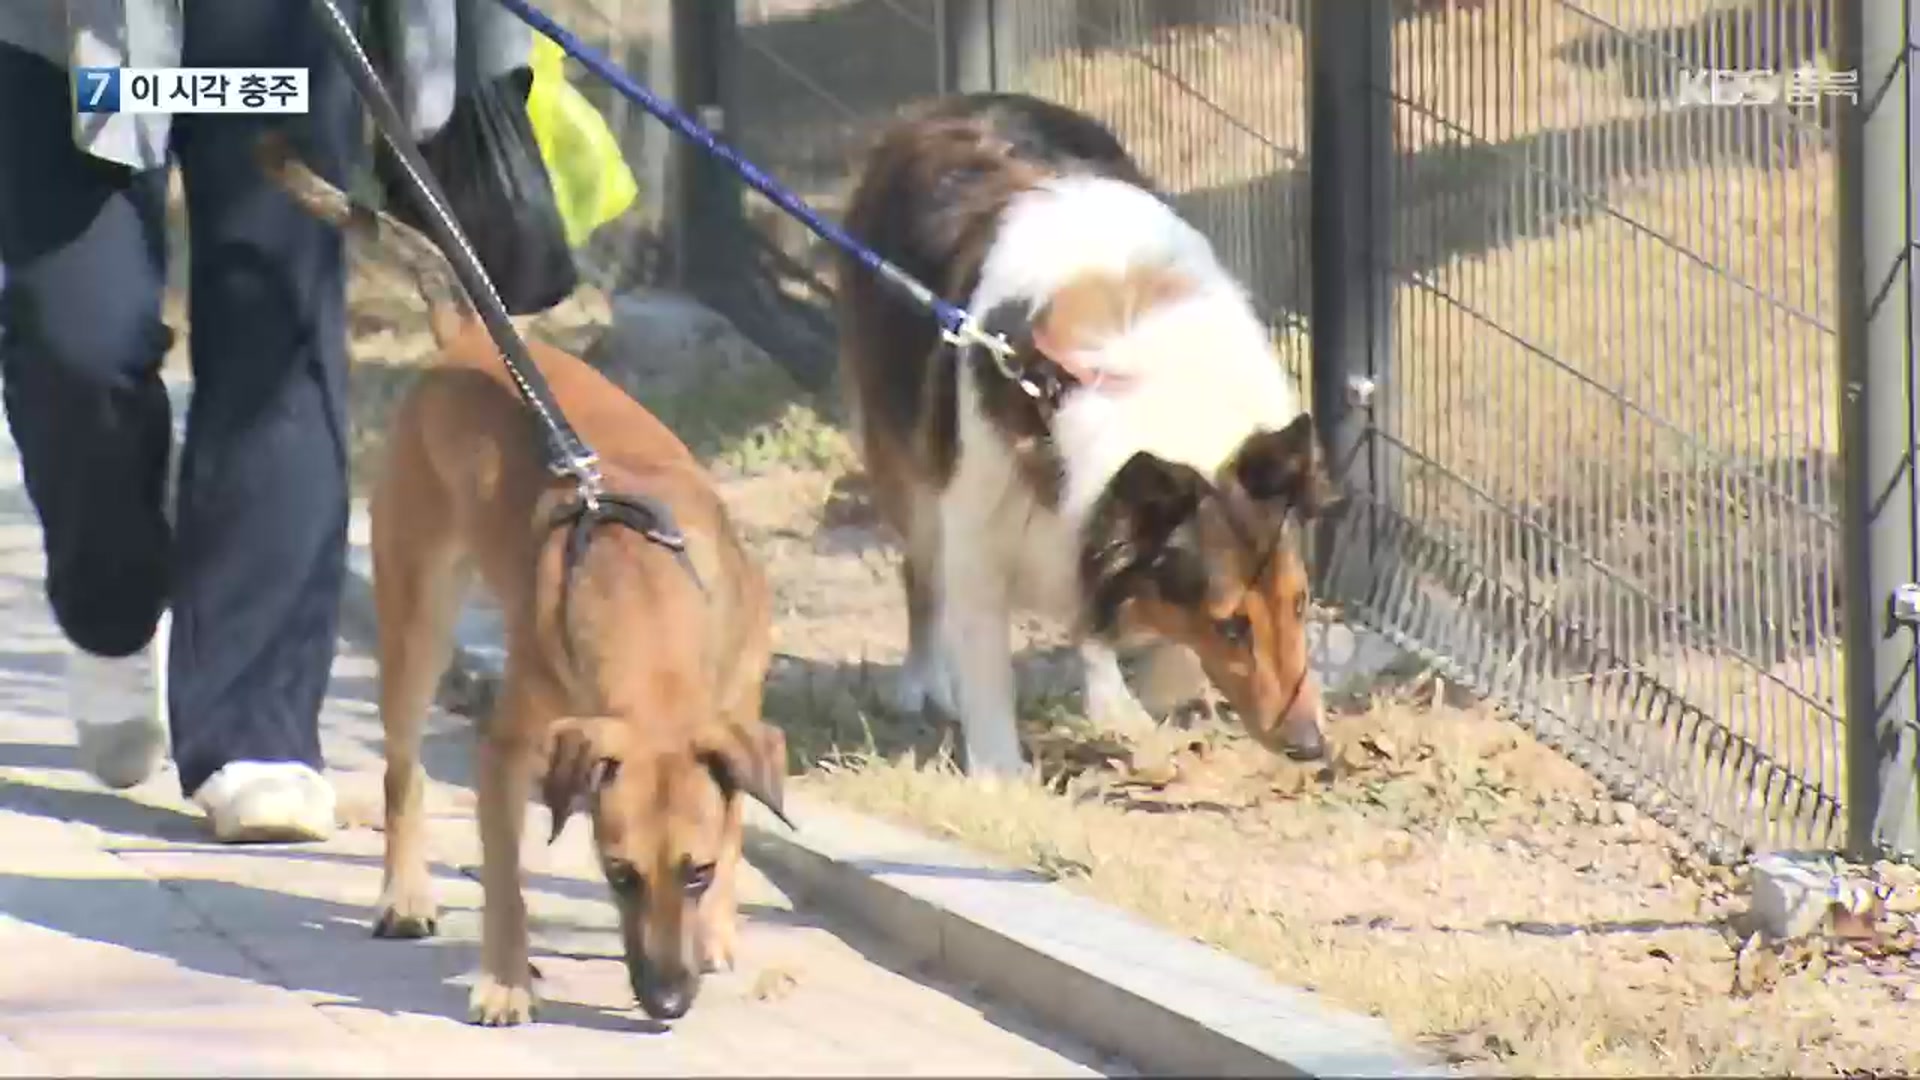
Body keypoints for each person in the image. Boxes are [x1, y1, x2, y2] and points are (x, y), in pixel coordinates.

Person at [0, 0, 543, 842]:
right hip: (61, 28)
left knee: (276, 337)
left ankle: (257, 730)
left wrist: (483, 56)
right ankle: (108, 611)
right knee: (76, 344)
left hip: (274, 27)